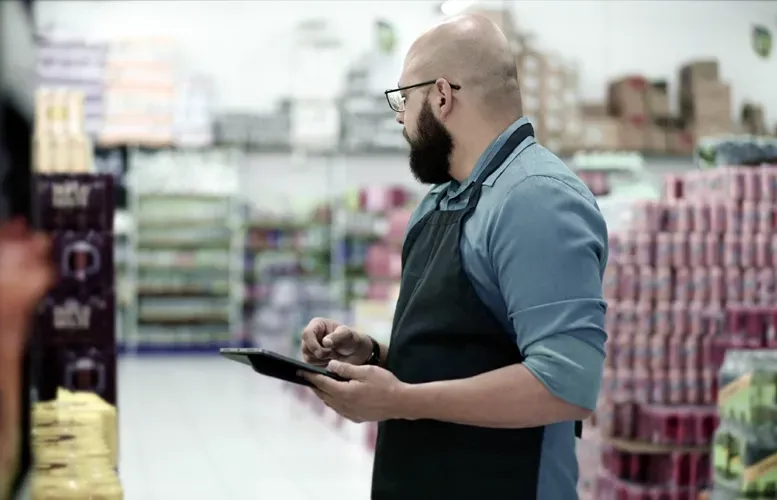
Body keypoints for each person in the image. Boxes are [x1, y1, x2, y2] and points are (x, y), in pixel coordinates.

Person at [300, 13, 608, 500]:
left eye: (405, 98)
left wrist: (401, 400)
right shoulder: (443, 200)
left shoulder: (536, 199)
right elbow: (466, 347)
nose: (400, 116)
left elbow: (565, 383)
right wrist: (374, 354)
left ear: (442, 96)